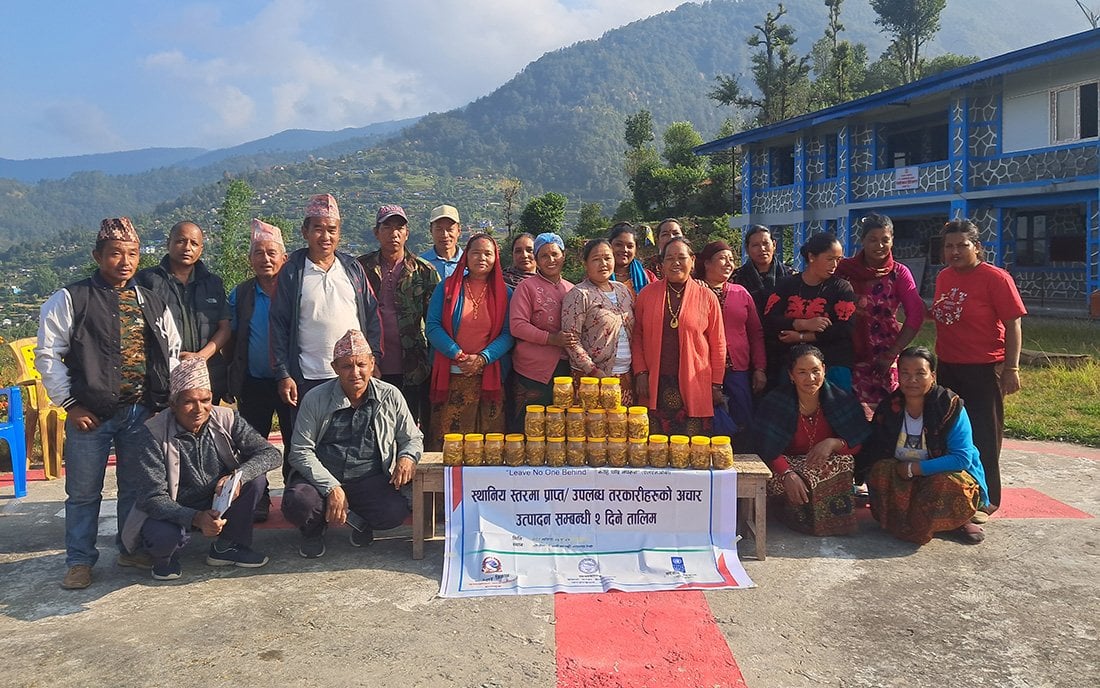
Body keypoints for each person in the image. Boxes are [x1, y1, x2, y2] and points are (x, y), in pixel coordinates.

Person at [36, 217, 182, 590]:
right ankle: (79, 561)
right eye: (116, 253)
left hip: (140, 413)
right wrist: (70, 404)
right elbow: (48, 356)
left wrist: (161, 402)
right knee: (84, 492)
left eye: (132, 253)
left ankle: (129, 547)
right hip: (90, 415)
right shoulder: (71, 299)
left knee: (134, 488)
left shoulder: (151, 300)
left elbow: (173, 352)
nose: (125, 261)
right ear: (97, 256)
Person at [122, 358, 281, 580]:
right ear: (173, 403)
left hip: (215, 499)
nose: (199, 409)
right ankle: (164, 559)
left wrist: (238, 477)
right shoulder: (153, 433)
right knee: (162, 538)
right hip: (173, 506)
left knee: (256, 480)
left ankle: (227, 547)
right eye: (189, 401)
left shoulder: (226, 418)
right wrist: (196, 518)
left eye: (205, 400)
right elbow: (153, 498)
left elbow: (271, 454)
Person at [282, 330, 423, 559]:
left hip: (367, 478)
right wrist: (331, 488)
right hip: (321, 478)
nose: (355, 372)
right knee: (299, 503)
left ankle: (358, 520)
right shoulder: (315, 398)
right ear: (335, 367)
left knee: (393, 512)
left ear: (372, 364)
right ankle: (313, 530)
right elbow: (300, 451)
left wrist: (408, 457)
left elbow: (412, 437)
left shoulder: (390, 395)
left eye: (361, 364)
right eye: (347, 366)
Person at [930, 218, 1026, 516]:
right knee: (948, 434)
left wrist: (1012, 368)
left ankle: (987, 499)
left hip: (984, 368)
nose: (955, 251)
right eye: (949, 246)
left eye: (962, 245)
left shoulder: (995, 278)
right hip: (947, 366)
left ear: (977, 247)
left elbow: (1013, 324)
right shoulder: (944, 276)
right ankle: (954, 493)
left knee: (983, 434)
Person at [269, 193, 382, 428]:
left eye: (332, 229)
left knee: (353, 443)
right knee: (307, 446)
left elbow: (372, 317)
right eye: (318, 229)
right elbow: (278, 325)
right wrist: (284, 374)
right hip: (309, 377)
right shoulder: (292, 273)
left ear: (339, 233)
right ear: (305, 232)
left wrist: (374, 361)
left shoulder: (352, 269)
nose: (326, 236)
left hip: (352, 376)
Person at [856, 347, 989, 545]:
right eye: (906, 374)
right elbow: (875, 448)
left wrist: (914, 468)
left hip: (940, 473)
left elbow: (962, 458)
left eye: (920, 373)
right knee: (880, 471)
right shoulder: (890, 406)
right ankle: (902, 520)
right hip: (902, 473)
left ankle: (959, 521)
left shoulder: (949, 406)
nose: (912, 380)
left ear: (932, 376)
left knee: (948, 483)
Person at [752, 345, 869, 536]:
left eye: (815, 371)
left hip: (819, 465)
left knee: (844, 461)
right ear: (791, 375)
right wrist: (788, 473)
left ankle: (832, 522)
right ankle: (798, 517)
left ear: (824, 369)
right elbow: (766, 448)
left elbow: (857, 444)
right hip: (785, 468)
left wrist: (833, 443)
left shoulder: (840, 399)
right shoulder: (776, 402)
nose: (811, 378)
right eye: (802, 372)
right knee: (784, 476)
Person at [226, 219, 292, 522]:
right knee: (252, 445)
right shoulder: (240, 295)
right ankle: (259, 496)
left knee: (296, 442)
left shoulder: (295, 292)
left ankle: (294, 496)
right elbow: (233, 338)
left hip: (292, 381)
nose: (265, 259)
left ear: (284, 258)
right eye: (259, 253)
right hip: (254, 382)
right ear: (250, 259)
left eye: (271, 253)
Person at [425, 234, 514, 449]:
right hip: (453, 377)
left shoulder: (506, 293)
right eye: (475, 252)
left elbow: (508, 333)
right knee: (450, 445)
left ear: (496, 259)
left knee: (488, 447)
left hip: (489, 379)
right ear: (466, 256)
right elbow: (433, 326)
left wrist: (483, 358)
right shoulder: (447, 288)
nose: (481, 258)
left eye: (488, 253)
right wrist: (459, 355)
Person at [632, 238, 726, 436]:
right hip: (656, 379)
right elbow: (637, 336)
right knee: (656, 447)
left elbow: (718, 343)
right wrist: (640, 372)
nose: (676, 263)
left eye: (681, 257)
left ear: (692, 261)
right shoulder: (647, 294)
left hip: (695, 380)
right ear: (661, 264)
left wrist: (716, 384)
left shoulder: (706, 296)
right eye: (670, 258)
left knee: (692, 448)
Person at [357, 204, 441, 426]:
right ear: (377, 232)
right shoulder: (360, 268)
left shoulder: (424, 271)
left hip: (413, 365)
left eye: (399, 228)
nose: (393, 233)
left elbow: (435, 321)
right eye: (387, 227)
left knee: (408, 425)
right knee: (372, 426)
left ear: (407, 233)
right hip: (371, 364)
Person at [836, 213, 925, 410]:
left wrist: (892, 353)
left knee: (889, 411)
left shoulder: (899, 273)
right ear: (862, 241)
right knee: (849, 411)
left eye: (885, 240)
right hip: (847, 353)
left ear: (892, 240)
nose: (879, 245)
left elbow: (916, 313)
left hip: (884, 356)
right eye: (873, 240)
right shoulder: (843, 270)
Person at [136, 221, 231, 403]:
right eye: (181, 241)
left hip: (206, 376)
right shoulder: (147, 281)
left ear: (201, 249)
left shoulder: (213, 283)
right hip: (162, 377)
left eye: (194, 243)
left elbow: (224, 328)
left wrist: (200, 357)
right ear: (168, 244)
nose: (187, 247)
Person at [764, 233, 856, 391]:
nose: (835, 265)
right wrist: (801, 323)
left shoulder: (842, 288)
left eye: (838, 259)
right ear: (812, 257)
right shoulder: (786, 285)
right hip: (792, 365)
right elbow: (769, 320)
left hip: (833, 363)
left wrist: (802, 337)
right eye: (830, 259)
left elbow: (845, 328)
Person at [694, 240, 766, 434]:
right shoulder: (693, 292)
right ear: (707, 263)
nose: (728, 263)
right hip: (701, 370)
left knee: (742, 422)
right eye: (722, 259)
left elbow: (755, 333)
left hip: (737, 369)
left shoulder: (740, 293)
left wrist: (760, 368)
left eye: (731, 259)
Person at [508, 232, 576, 429]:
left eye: (555, 254)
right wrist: (551, 339)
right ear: (536, 259)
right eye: (544, 256)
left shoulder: (572, 289)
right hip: (532, 371)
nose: (551, 260)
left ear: (564, 256)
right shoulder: (526, 287)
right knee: (530, 428)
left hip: (564, 370)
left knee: (559, 428)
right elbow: (518, 326)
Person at [561, 239, 635, 405]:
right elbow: (571, 341)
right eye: (596, 259)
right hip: (592, 379)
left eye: (607, 258)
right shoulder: (579, 294)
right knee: (594, 427)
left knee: (621, 427)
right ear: (585, 264)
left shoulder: (623, 291)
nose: (603, 263)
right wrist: (593, 371)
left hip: (625, 375)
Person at [731, 225, 795, 316]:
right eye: (755, 245)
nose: (762, 249)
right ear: (747, 249)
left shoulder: (791, 275)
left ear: (774, 245)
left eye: (766, 243)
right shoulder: (736, 278)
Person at [608, 223, 656, 295]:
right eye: (618, 245)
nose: (624, 250)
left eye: (630, 246)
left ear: (635, 249)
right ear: (609, 246)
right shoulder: (598, 277)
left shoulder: (648, 277)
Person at [422, 204, 463, 279]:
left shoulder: (469, 263)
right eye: (439, 229)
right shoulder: (421, 264)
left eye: (450, 229)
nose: (445, 235)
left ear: (459, 231)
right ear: (431, 230)